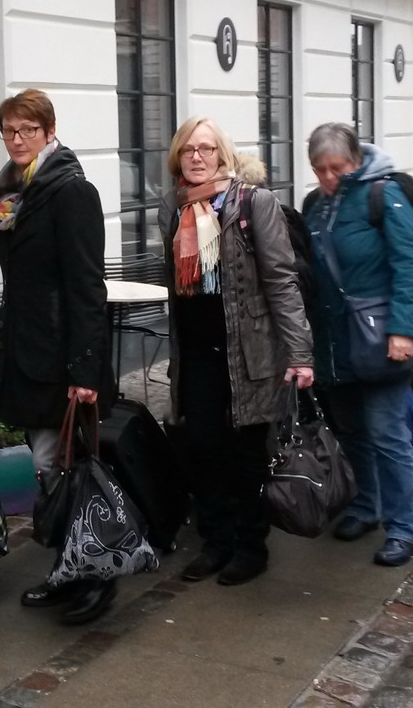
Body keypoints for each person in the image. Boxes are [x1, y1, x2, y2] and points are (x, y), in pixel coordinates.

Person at [160, 116, 313, 585]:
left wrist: (300, 354)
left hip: (247, 351)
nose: (198, 158)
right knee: (202, 448)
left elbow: (281, 280)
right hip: (197, 351)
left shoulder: (253, 202)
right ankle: (215, 541)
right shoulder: (176, 207)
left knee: (245, 453)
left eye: (206, 149)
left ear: (223, 155)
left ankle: (251, 545)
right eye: (189, 150)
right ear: (177, 159)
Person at [0, 89, 114, 623]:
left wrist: (85, 370)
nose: (16, 140)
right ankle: (68, 567)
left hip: (61, 357)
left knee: (68, 469)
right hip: (27, 349)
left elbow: (88, 286)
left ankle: (95, 578)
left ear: (48, 130)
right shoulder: (12, 192)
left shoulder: (70, 190)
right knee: (48, 468)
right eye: (9, 131)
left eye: (26, 131)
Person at [302, 123, 413, 567]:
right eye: (320, 169)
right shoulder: (314, 206)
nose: (329, 178)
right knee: (351, 430)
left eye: (337, 168)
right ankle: (366, 505)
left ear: (356, 161)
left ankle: (404, 527)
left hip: (381, 336)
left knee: (387, 433)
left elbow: (412, 264)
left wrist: (404, 330)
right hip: (336, 341)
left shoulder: (384, 195)